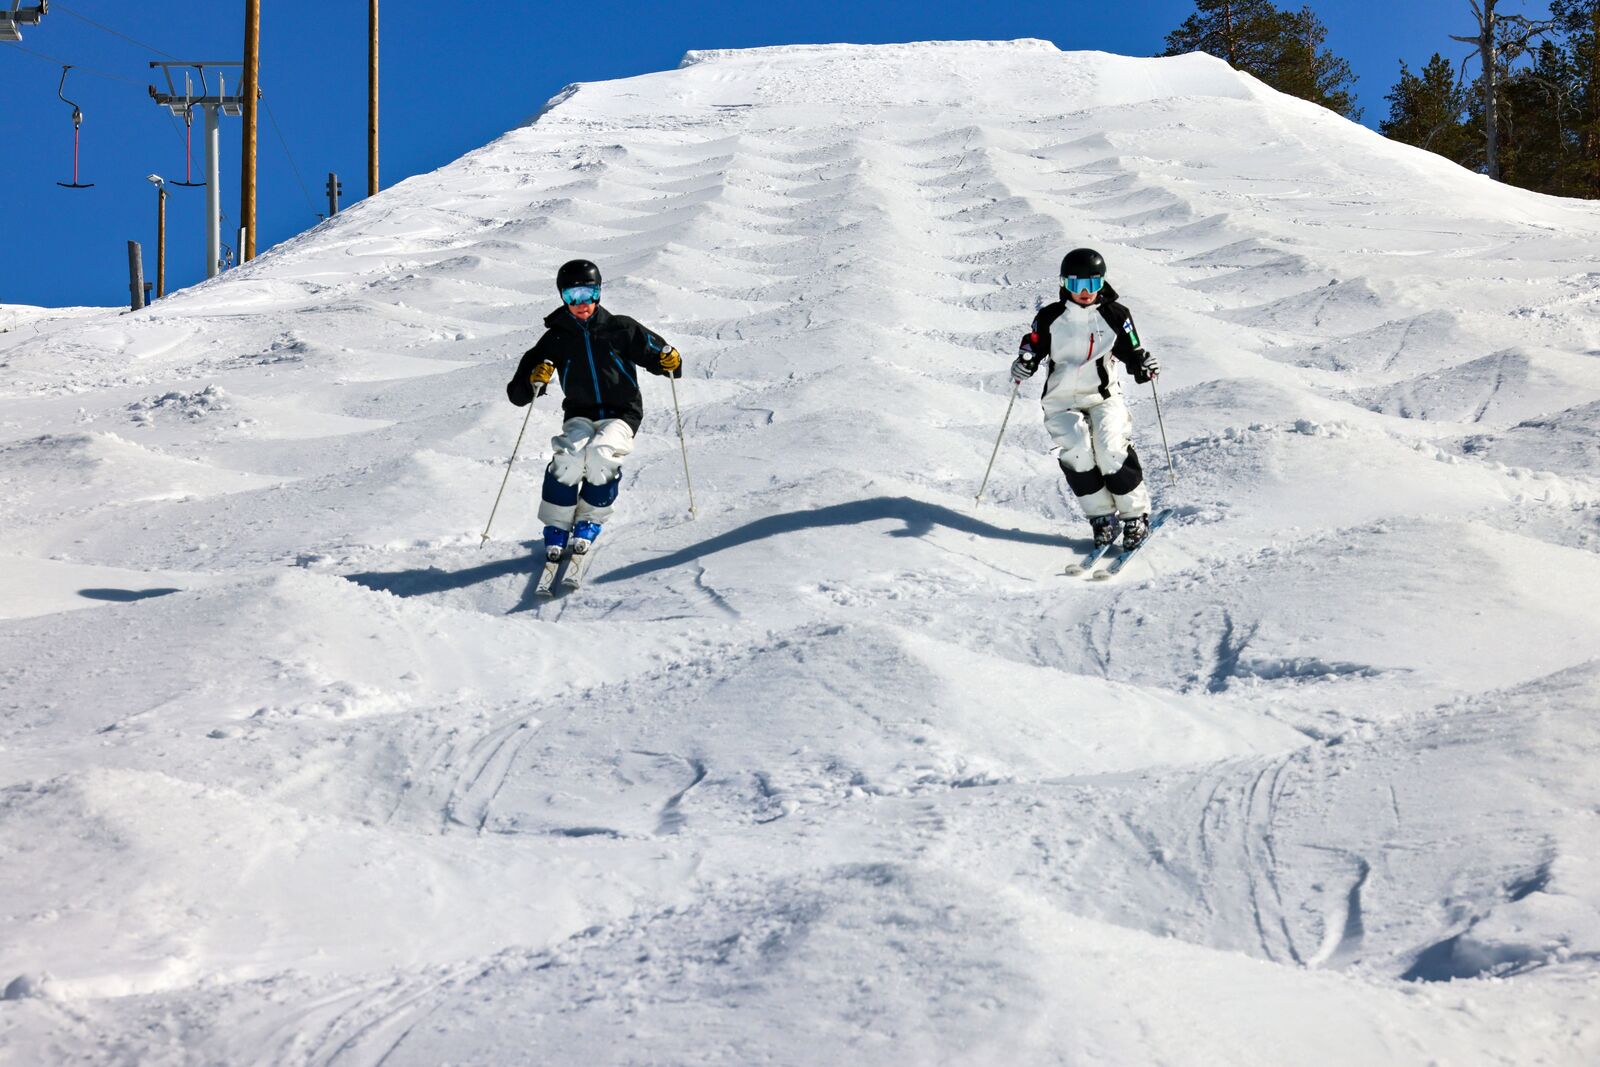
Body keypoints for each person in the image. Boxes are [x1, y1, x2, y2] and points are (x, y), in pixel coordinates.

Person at [507, 259, 682, 561]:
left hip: (622, 413)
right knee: (568, 458)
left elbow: (662, 358)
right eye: (572, 297)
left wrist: (671, 361)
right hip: (579, 413)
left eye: (588, 294)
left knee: (601, 455)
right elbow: (518, 394)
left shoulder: (620, 329)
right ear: (563, 297)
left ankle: (589, 520)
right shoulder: (556, 339)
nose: (581, 304)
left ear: (599, 293)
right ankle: (557, 527)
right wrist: (534, 379)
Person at [1011, 248, 1161, 550]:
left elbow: (1132, 352)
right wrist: (1024, 363)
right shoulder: (1050, 317)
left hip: (1104, 396)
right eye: (1077, 285)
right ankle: (1102, 518)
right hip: (1061, 399)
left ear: (1101, 284)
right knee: (1077, 452)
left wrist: (1143, 368)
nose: (1084, 293)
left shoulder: (1115, 315)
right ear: (1064, 283)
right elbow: (1034, 346)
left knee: (1109, 448)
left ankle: (1135, 516)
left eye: (1092, 285)